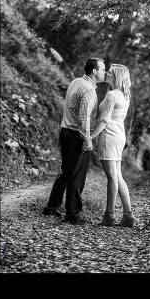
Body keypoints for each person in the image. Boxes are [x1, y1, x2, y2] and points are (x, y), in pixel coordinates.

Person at [43, 58, 106, 224]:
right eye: (102, 69)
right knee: (77, 176)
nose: (104, 72)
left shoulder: (76, 82)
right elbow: (83, 118)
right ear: (94, 71)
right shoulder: (89, 90)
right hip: (76, 135)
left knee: (66, 172)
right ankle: (72, 215)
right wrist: (87, 140)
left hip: (65, 132)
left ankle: (51, 208)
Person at [90, 64, 135, 227]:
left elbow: (104, 120)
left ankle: (109, 215)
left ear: (116, 77)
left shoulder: (112, 95)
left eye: (110, 72)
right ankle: (128, 215)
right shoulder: (125, 95)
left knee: (112, 177)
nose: (107, 73)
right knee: (117, 175)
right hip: (119, 134)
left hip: (109, 134)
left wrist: (90, 137)